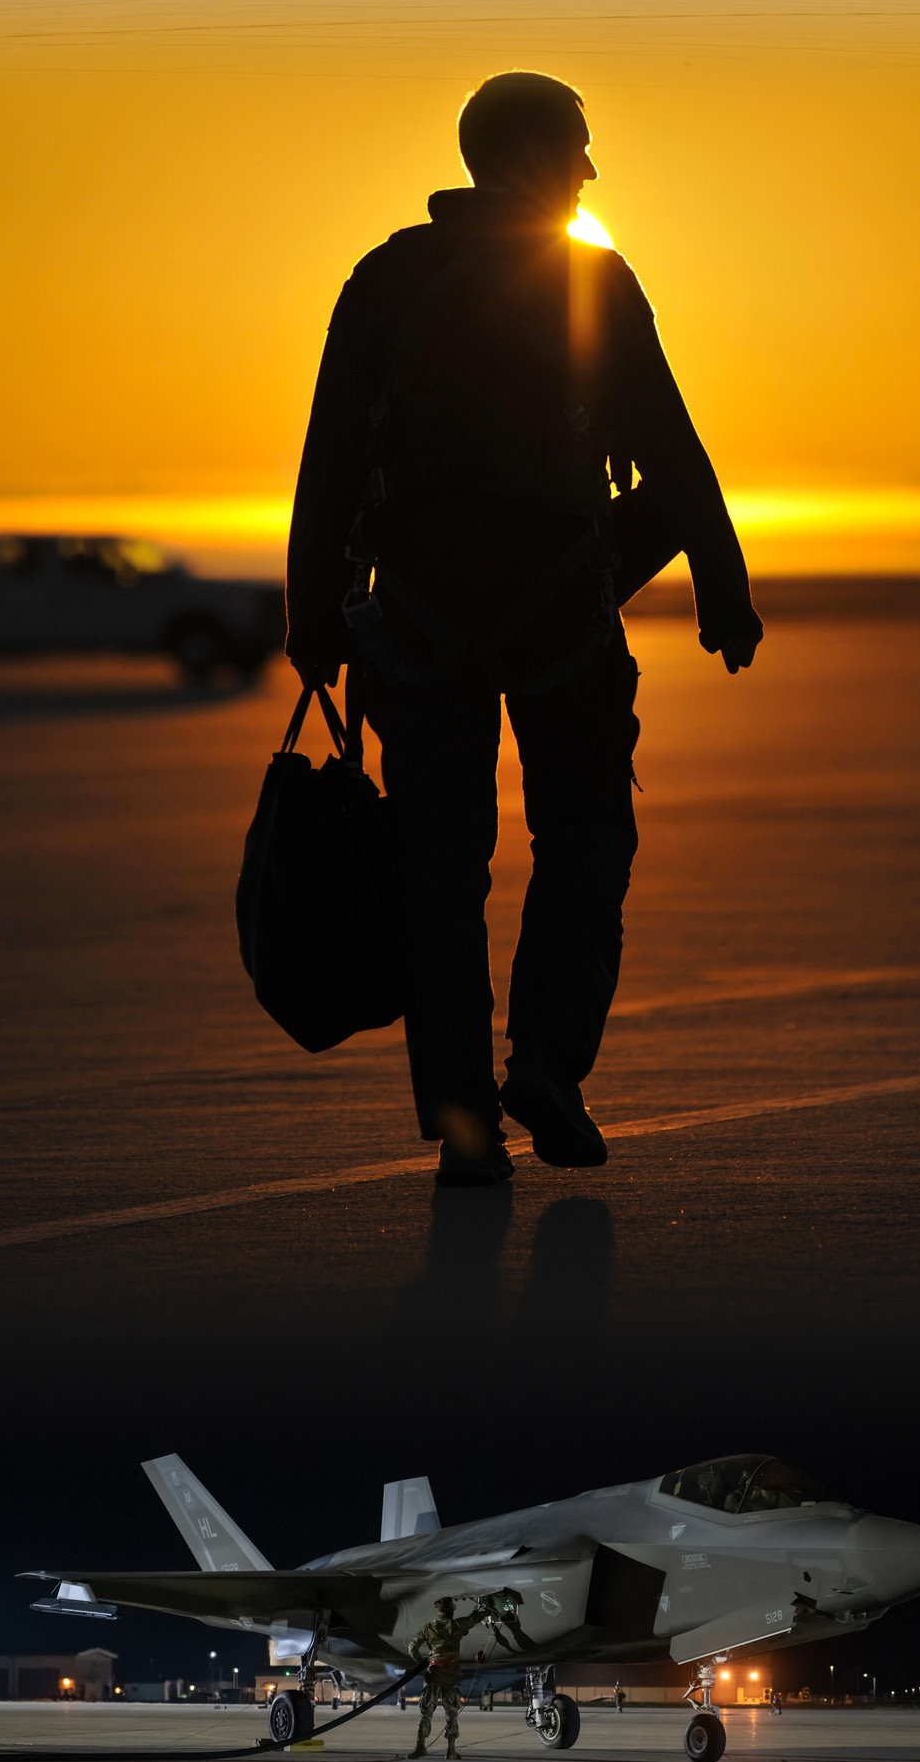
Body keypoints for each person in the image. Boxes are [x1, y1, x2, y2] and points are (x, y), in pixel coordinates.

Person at [286, 71, 762, 1185]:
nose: (591, 172)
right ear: (542, 157)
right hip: (562, 624)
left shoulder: (387, 279)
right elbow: (670, 444)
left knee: (438, 873)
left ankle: (461, 1119)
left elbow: (330, 464)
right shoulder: (589, 278)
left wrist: (314, 615)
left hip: (413, 629)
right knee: (586, 843)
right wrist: (721, 585)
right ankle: (547, 1059)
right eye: (581, 149)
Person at [407, 1595, 485, 1761]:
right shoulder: (457, 1625)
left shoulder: (428, 1628)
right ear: (452, 1610)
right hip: (452, 1674)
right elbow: (476, 1618)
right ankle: (451, 1750)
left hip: (433, 1673)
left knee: (426, 1710)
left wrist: (422, 1661)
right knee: (452, 1711)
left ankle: (420, 1747)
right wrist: (484, 1609)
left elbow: (412, 1647)